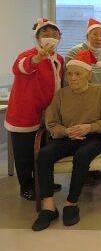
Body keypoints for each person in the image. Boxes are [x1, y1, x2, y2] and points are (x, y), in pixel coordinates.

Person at [32, 50, 101, 231]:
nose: (73, 78)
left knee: (82, 156)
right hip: (66, 137)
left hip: (92, 137)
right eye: (70, 74)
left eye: (78, 74)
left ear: (89, 75)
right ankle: (48, 206)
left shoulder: (100, 92)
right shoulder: (61, 94)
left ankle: (71, 202)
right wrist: (66, 131)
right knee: (44, 155)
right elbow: (51, 124)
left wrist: (90, 127)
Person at [5, 18, 64, 200]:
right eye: (45, 33)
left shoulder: (59, 59)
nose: (50, 37)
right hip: (24, 113)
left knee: (44, 152)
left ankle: (43, 182)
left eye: (54, 34)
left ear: (60, 38)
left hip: (46, 115)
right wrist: (36, 59)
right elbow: (18, 67)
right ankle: (26, 186)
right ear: (37, 37)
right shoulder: (29, 54)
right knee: (24, 154)